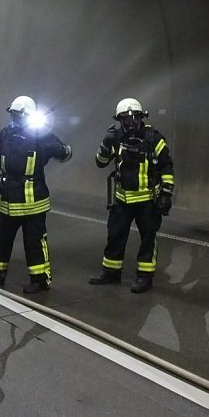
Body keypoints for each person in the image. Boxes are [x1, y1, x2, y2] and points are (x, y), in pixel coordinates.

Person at [0, 96, 72, 293]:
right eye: (13, 115)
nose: (15, 120)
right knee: (0, 240)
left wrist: (52, 141)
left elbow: (65, 154)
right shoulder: (3, 135)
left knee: (34, 241)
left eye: (18, 116)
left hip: (32, 203)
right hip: (7, 201)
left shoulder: (41, 136)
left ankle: (40, 280)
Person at [90, 98, 174, 293]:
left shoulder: (154, 138)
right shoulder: (115, 138)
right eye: (125, 119)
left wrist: (166, 194)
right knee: (115, 236)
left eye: (134, 118)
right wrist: (105, 143)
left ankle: (144, 277)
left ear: (141, 117)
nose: (130, 122)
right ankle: (111, 272)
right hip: (122, 200)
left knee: (148, 240)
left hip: (147, 201)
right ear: (119, 120)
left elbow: (166, 166)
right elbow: (100, 162)